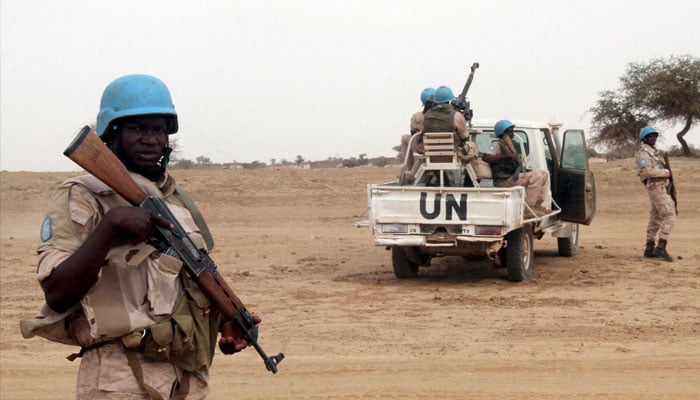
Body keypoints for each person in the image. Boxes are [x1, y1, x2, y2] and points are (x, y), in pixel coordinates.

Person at [20, 74, 258, 399]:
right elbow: (57, 293)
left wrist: (223, 321)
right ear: (112, 133)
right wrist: (111, 228)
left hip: (186, 375)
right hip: (120, 375)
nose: (150, 139)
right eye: (138, 128)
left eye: (158, 130)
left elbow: (188, 281)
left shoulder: (176, 199)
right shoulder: (84, 195)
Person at [482, 119, 550, 217]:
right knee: (537, 176)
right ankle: (528, 209)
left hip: (511, 176)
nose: (513, 132)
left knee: (544, 173)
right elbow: (486, 157)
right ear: (504, 132)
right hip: (504, 180)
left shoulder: (510, 145)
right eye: (511, 130)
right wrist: (507, 156)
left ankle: (537, 205)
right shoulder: (496, 145)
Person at [635, 125, 675, 261]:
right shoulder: (643, 154)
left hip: (661, 186)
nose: (653, 138)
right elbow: (647, 172)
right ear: (644, 138)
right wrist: (666, 172)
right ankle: (661, 247)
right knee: (670, 216)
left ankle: (649, 247)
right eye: (650, 136)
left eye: (655, 136)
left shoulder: (653, 152)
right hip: (655, 187)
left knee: (655, 218)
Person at [399, 87, 435, 161]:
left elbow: (413, 133)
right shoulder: (451, 116)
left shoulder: (417, 117)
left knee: (404, 138)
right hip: (449, 148)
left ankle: (409, 168)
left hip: (425, 148)